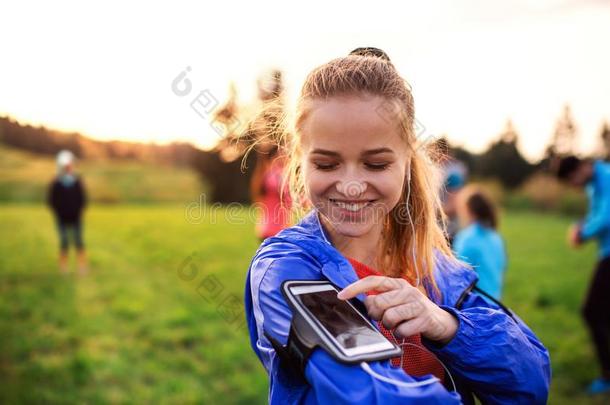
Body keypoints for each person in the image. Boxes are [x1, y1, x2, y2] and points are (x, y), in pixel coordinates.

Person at [244, 49, 550, 404]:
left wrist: (446, 326)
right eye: (327, 165)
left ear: (408, 160)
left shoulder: (435, 266)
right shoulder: (285, 268)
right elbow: (374, 394)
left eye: (375, 164)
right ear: (300, 162)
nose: (352, 185)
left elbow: (530, 380)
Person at [553, 155, 610, 394]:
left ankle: (608, 376)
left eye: (572, 181)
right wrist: (583, 225)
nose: (574, 186)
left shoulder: (606, 176)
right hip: (606, 252)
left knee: (592, 311)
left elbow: (607, 217)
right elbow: (598, 213)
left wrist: (581, 233)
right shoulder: (593, 182)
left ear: (579, 169)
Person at [453, 186, 507, 301]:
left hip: (475, 309)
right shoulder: (496, 238)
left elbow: (458, 280)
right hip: (496, 305)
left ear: (468, 211)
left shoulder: (466, 238)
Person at [47, 150, 88, 274]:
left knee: (78, 241)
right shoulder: (56, 182)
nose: (68, 168)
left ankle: (82, 266)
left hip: (76, 217)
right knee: (64, 241)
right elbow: (51, 201)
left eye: (70, 165)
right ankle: (63, 267)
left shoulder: (77, 181)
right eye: (65, 166)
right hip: (62, 217)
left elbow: (83, 199)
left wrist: (79, 210)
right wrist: (59, 212)